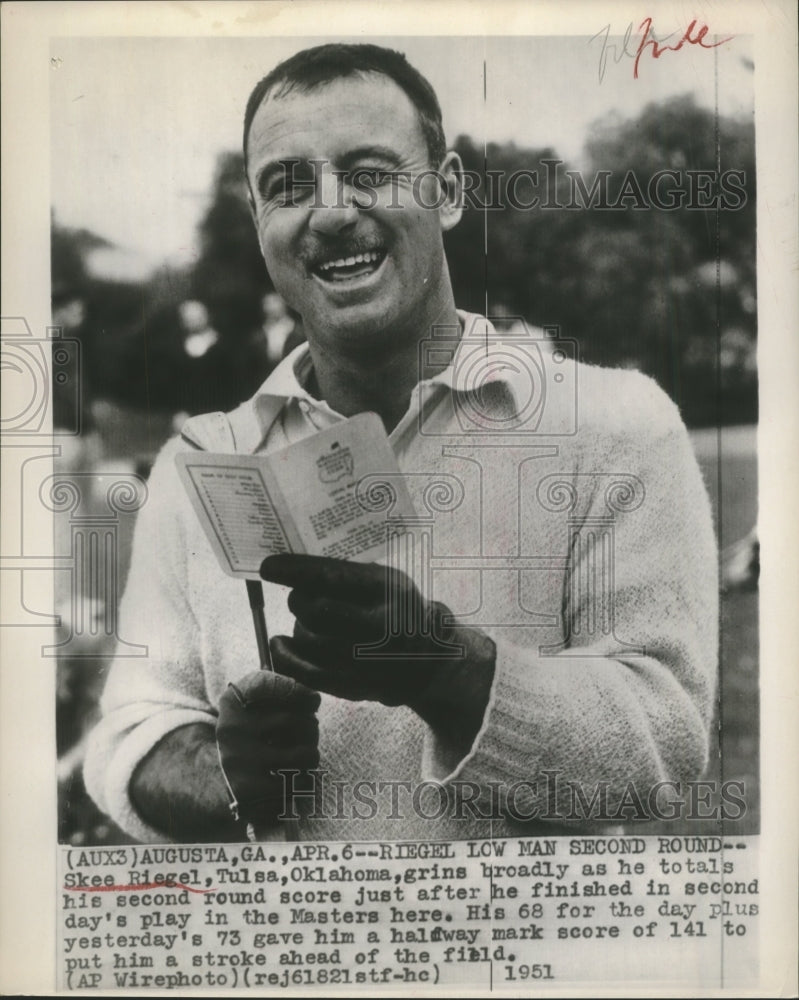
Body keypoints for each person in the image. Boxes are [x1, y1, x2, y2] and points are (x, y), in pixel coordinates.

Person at [85, 43, 717, 843]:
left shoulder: (616, 425)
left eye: (370, 171)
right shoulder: (202, 463)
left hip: (530, 961)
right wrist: (224, 775)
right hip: (297, 961)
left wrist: (445, 670)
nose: (331, 212)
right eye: (287, 186)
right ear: (258, 223)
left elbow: (662, 748)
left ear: (448, 191)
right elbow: (131, 727)